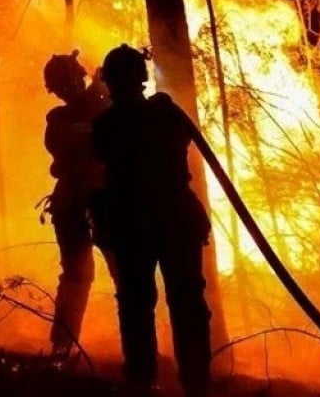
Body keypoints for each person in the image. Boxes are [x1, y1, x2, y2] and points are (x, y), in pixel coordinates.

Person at [91, 44, 213, 397]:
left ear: (110, 83)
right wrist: (161, 106)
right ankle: (196, 383)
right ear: (142, 79)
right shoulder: (166, 115)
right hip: (175, 219)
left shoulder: (106, 124)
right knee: (186, 302)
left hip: (133, 223)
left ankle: (142, 382)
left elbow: (104, 158)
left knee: (136, 304)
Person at [42, 50, 115, 360]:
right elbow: (90, 132)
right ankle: (62, 347)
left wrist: (101, 92)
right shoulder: (61, 118)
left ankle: (62, 347)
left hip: (82, 202)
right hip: (90, 202)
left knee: (83, 275)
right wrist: (101, 91)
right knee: (82, 274)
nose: (68, 89)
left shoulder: (96, 107)